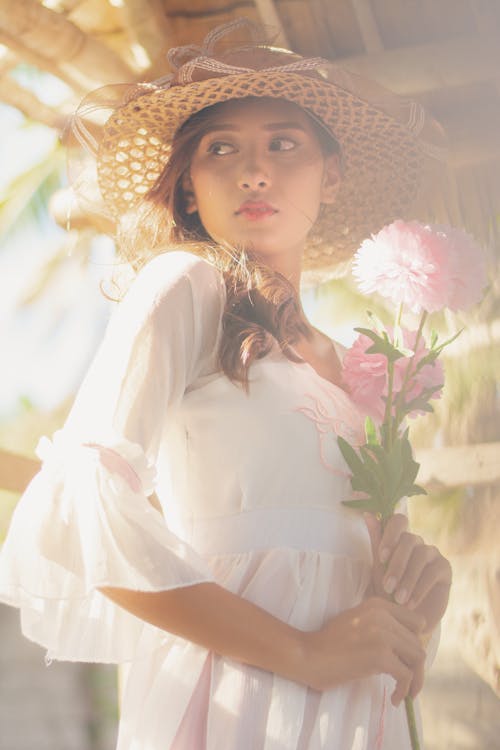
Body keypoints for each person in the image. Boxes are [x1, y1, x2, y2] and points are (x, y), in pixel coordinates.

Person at [0, 18, 451, 750]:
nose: (254, 170)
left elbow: (334, 560)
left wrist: (411, 592)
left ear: (330, 174)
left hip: (355, 716)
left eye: (283, 143)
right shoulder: (187, 285)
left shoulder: (358, 372)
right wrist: (305, 654)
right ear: (188, 184)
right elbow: (83, 508)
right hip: (237, 704)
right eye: (220, 148)